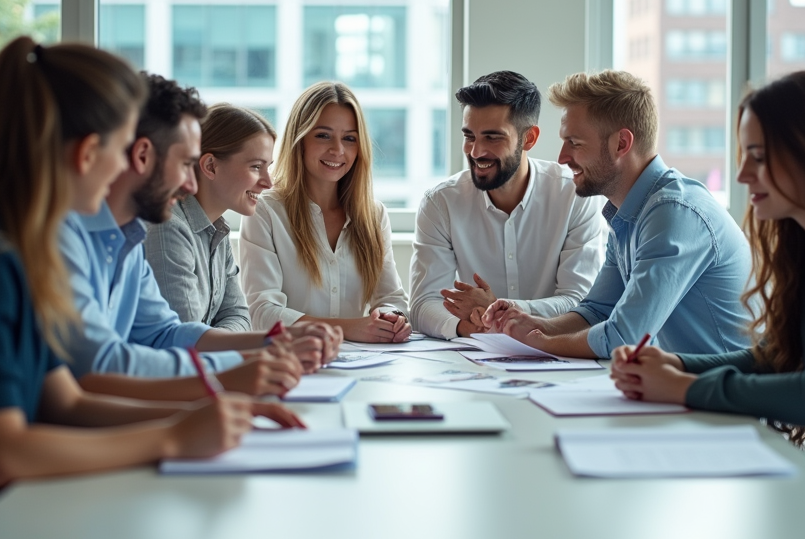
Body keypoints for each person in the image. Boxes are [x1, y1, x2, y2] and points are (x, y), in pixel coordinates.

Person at [0, 38, 301, 539]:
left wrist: (213, 408)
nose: (126, 169)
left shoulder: (21, 247)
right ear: (87, 152)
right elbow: (4, 453)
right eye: (122, 150)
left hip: (5, 517)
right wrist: (171, 434)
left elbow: (65, 401)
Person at [610, 71, 805, 537]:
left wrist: (679, 388)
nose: (742, 175)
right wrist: (674, 364)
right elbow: (780, 358)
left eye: (758, 158)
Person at [59, 75, 328, 403]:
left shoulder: (128, 238)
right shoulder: (66, 236)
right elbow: (98, 366)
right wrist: (240, 365)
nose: (190, 184)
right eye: (187, 164)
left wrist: (272, 343)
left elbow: (166, 333)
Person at [484, 69, 751, 357]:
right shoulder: (628, 213)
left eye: (574, 142)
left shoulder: (673, 214)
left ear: (621, 144)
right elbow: (598, 311)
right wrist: (535, 325)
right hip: (684, 389)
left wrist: (541, 343)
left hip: (727, 394)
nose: (561, 157)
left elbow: (623, 337)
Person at [410, 70, 608, 339]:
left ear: (529, 138)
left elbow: (580, 302)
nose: (476, 151)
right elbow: (424, 304)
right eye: (469, 136)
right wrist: (462, 327)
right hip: (476, 357)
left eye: (492, 137)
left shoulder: (574, 195)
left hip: (556, 352)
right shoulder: (440, 203)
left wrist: (504, 310)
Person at [145, 104, 341, 348]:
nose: (268, 182)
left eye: (268, 167)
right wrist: (229, 338)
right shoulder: (168, 228)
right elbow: (187, 340)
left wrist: (219, 336)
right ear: (210, 166)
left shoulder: (218, 230)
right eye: (256, 167)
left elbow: (239, 316)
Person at [239, 82, 410, 343]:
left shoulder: (373, 215)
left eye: (349, 138)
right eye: (323, 135)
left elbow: (391, 298)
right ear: (301, 140)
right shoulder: (265, 211)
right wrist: (347, 328)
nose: (338, 150)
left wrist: (392, 319)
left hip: (362, 365)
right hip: (289, 362)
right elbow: (261, 312)